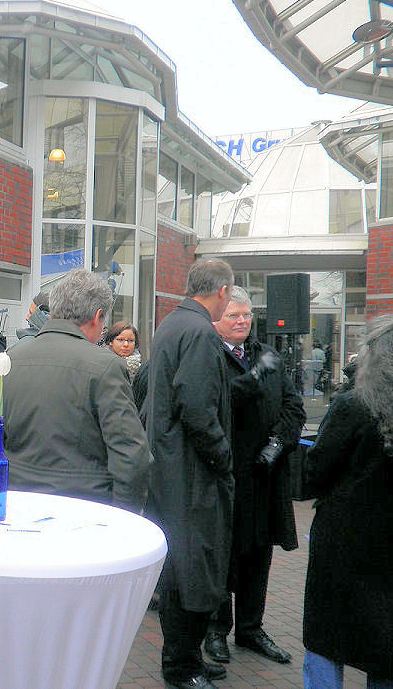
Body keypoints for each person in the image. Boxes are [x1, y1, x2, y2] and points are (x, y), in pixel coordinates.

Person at [0, 269, 150, 512]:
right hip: (86, 508)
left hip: (16, 504)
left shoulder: (10, 359)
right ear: (98, 317)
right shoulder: (106, 366)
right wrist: (123, 516)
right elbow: (131, 456)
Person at [300, 314, 393, 689]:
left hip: (343, 545)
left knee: (325, 640)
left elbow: (314, 474)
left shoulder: (352, 406)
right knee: (388, 651)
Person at [203, 286, 304, 667]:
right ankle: (217, 629)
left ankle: (251, 628)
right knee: (224, 555)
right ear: (217, 319)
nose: (242, 321)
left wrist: (278, 442)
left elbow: (294, 406)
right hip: (226, 477)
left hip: (265, 476)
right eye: (233, 315)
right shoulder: (207, 355)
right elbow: (216, 403)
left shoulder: (264, 353)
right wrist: (254, 378)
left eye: (246, 315)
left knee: (259, 555)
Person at [146, 258, 235, 689]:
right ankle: (182, 666)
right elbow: (197, 406)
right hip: (191, 472)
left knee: (181, 569)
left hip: (169, 466)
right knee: (192, 571)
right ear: (222, 292)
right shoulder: (200, 332)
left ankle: (185, 659)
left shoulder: (171, 324)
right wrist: (222, 456)